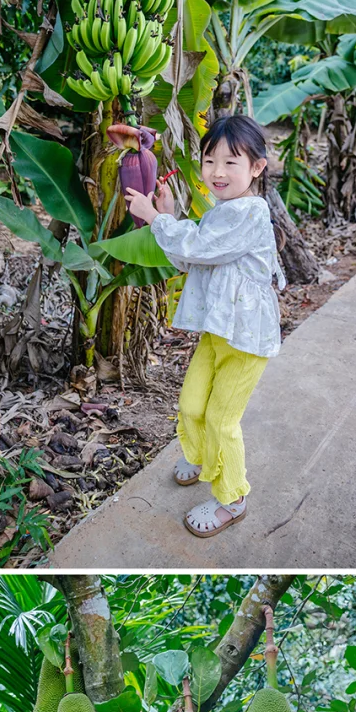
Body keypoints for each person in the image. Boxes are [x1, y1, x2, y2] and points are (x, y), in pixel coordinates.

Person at [125, 116, 285, 538]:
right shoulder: (221, 212)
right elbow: (193, 258)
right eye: (208, 159)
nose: (216, 171)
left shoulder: (251, 211)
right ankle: (200, 459)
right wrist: (168, 215)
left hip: (247, 339)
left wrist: (154, 218)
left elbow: (196, 246)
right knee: (192, 405)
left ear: (257, 168)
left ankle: (233, 499)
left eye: (231, 162)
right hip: (219, 332)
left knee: (222, 420)